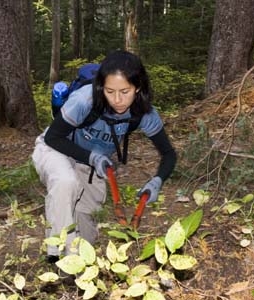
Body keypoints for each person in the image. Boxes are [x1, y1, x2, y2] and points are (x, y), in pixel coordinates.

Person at [32, 50, 176, 261]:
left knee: (86, 240)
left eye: (125, 91)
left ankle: (74, 258)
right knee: (66, 182)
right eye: (109, 91)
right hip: (56, 148)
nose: (117, 100)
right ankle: (58, 255)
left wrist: (157, 180)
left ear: (138, 87)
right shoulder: (84, 100)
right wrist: (92, 157)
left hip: (90, 166)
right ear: (101, 87)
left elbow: (169, 153)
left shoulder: (143, 113)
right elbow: (53, 137)